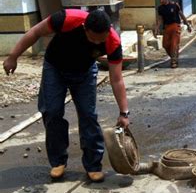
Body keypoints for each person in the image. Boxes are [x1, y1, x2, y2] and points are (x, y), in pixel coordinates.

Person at [3, 9, 130, 182]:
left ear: (108, 31)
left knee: (88, 114)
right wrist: (13, 56)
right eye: (92, 38)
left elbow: (116, 79)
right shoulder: (66, 19)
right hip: (55, 68)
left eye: (100, 40)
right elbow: (35, 32)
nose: (95, 43)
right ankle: (58, 162)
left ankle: (93, 165)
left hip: (84, 73)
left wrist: (124, 112)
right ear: (84, 28)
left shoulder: (113, 42)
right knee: (52, 112)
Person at [154, 0, 193, 68]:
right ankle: (174, 56)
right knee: (165, 44)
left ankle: (174, 61)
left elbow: (181, 15)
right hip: (167, 27)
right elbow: (160, 19)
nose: (161, 1)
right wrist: (157, 28)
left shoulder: (174, 5)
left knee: (174, 44)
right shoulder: (160, 8)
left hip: (175, 26)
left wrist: (187, 25)